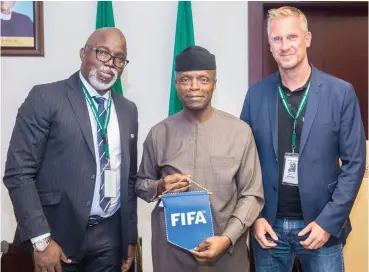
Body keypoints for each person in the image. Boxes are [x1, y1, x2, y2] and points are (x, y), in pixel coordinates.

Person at [240, 6, 366, 272]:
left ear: (307, 39)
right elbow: (243, 162)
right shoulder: (256, 95)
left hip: (320, 228)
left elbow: (355, 163)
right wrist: (254, 219)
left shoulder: (340, 93)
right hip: (268, 229)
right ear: (270, 46)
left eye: (292, 37)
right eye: (277, 39)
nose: (285, 46)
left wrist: (329, 222)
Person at [3, 27, 138, 272]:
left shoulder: (128, 110)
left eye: (119, 58)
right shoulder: (45, 97)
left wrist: (128, 238)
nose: (110, 63)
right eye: (102, 53)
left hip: (109, 237)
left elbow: (127, 180)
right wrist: (42, 241)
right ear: (82, 53)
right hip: (56, 235)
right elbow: (18, 173)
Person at [135, 45, 264, 272]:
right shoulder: (158, 134)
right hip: (172, 256)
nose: (194, 87)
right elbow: (140, 184)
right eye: (186, 79)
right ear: (176, 85)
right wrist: (160, 186)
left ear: (214, 84)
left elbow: (252, 195)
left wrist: (227, 238)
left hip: (227, 254)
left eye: (203, 79)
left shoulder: (240, 132)